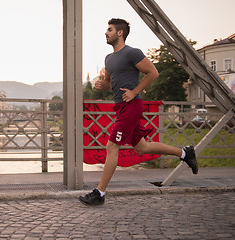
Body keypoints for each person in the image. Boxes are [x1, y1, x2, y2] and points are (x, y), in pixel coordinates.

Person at [78, 18, 198, 206]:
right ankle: (184, 153)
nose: (106, 32)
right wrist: (104, 86)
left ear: (120, 33)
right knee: (142, 147)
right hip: (121, 107)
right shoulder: (108, 59)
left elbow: (153, 73)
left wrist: (135, 91)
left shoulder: (132, 53)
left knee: (111, 147)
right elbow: (112, 84)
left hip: (132, 107)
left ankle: (99, 193)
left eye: (109, 29)